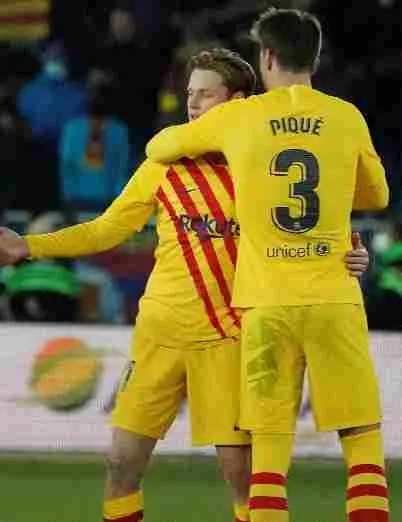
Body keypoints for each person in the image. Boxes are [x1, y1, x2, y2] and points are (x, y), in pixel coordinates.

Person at [0, 48, 372, 522]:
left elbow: (309, 227)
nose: (193, 104)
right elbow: (106, 229)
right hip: (159, 336)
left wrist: (351, 252)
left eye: (205, 95)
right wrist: (30, 246)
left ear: (239, 102)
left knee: (241, 473)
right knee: (121, 461)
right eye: (189, 94)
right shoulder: (164, 165)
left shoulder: (261, 168)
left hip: (228, 335)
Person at [145, 9, 390, 522]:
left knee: (270, 443)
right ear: (315, 58)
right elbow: (377, 195)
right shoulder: (346, 116)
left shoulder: (239, 117)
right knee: (360, 433)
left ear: (268, 57)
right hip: (333, 295)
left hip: (265, 302)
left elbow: (160, 146)